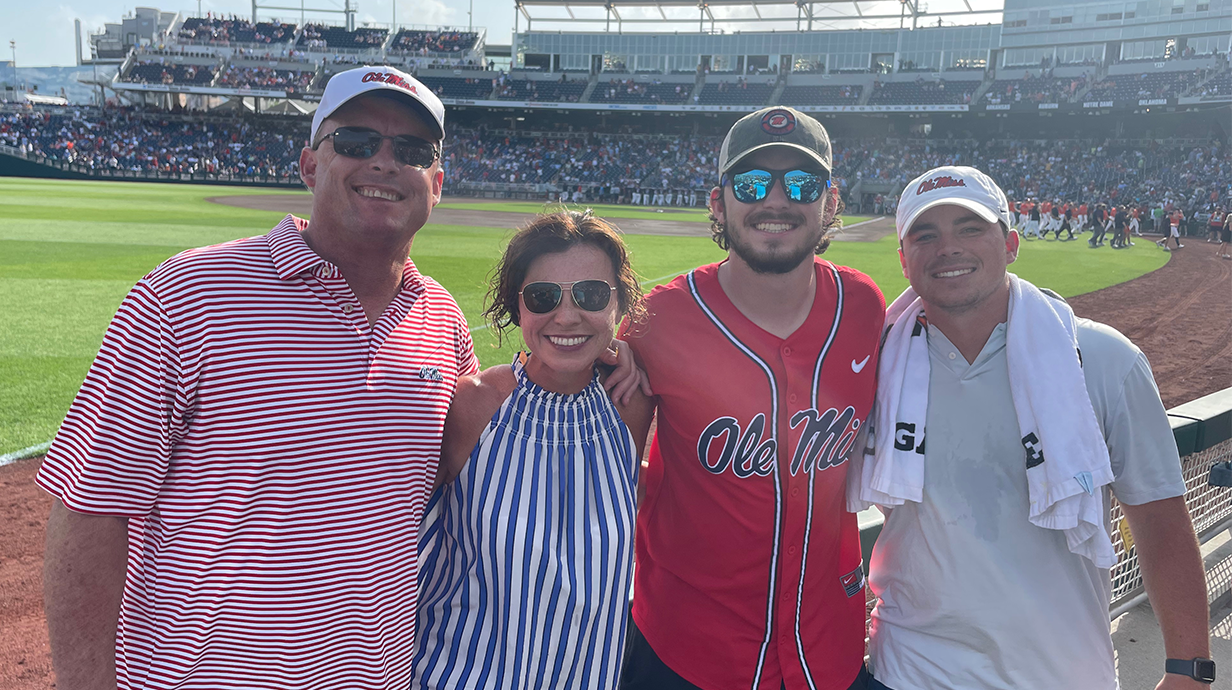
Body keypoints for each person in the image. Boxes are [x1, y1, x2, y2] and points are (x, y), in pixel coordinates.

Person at [37, 66, 636, 690]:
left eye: (411, 151)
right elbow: (90, 507)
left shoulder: (440, 319)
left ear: (436, 184)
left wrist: (613, 352)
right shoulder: (188, 294)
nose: (383, 162)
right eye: (355, 142)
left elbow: (477, 467)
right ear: (308, 165)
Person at [850, 165, 1211, 690]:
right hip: (905, 671)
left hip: (1061, 673)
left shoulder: (1103, 359)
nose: (947, 247)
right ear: (903, 259)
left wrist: (1189, 670)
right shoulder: (871, 365)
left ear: (1011, 243)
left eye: (970, 228)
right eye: (925, 235)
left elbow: (1160, 519)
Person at [620, 106, 885, 690]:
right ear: (719, 203)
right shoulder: (656, 321)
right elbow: (608, 477)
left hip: (828, 646)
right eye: (750, 183)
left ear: (830, 203)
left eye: (801, 184)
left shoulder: (864, 306)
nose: (776, 200)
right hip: (684, 650)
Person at [412, 211, 653, 689]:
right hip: (458, 675)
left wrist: (618, 353)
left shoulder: (631, 405)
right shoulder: (475, 402)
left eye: (591, 295)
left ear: (619, 306)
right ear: (517, 308)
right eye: (543, 297)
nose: (566, 315)